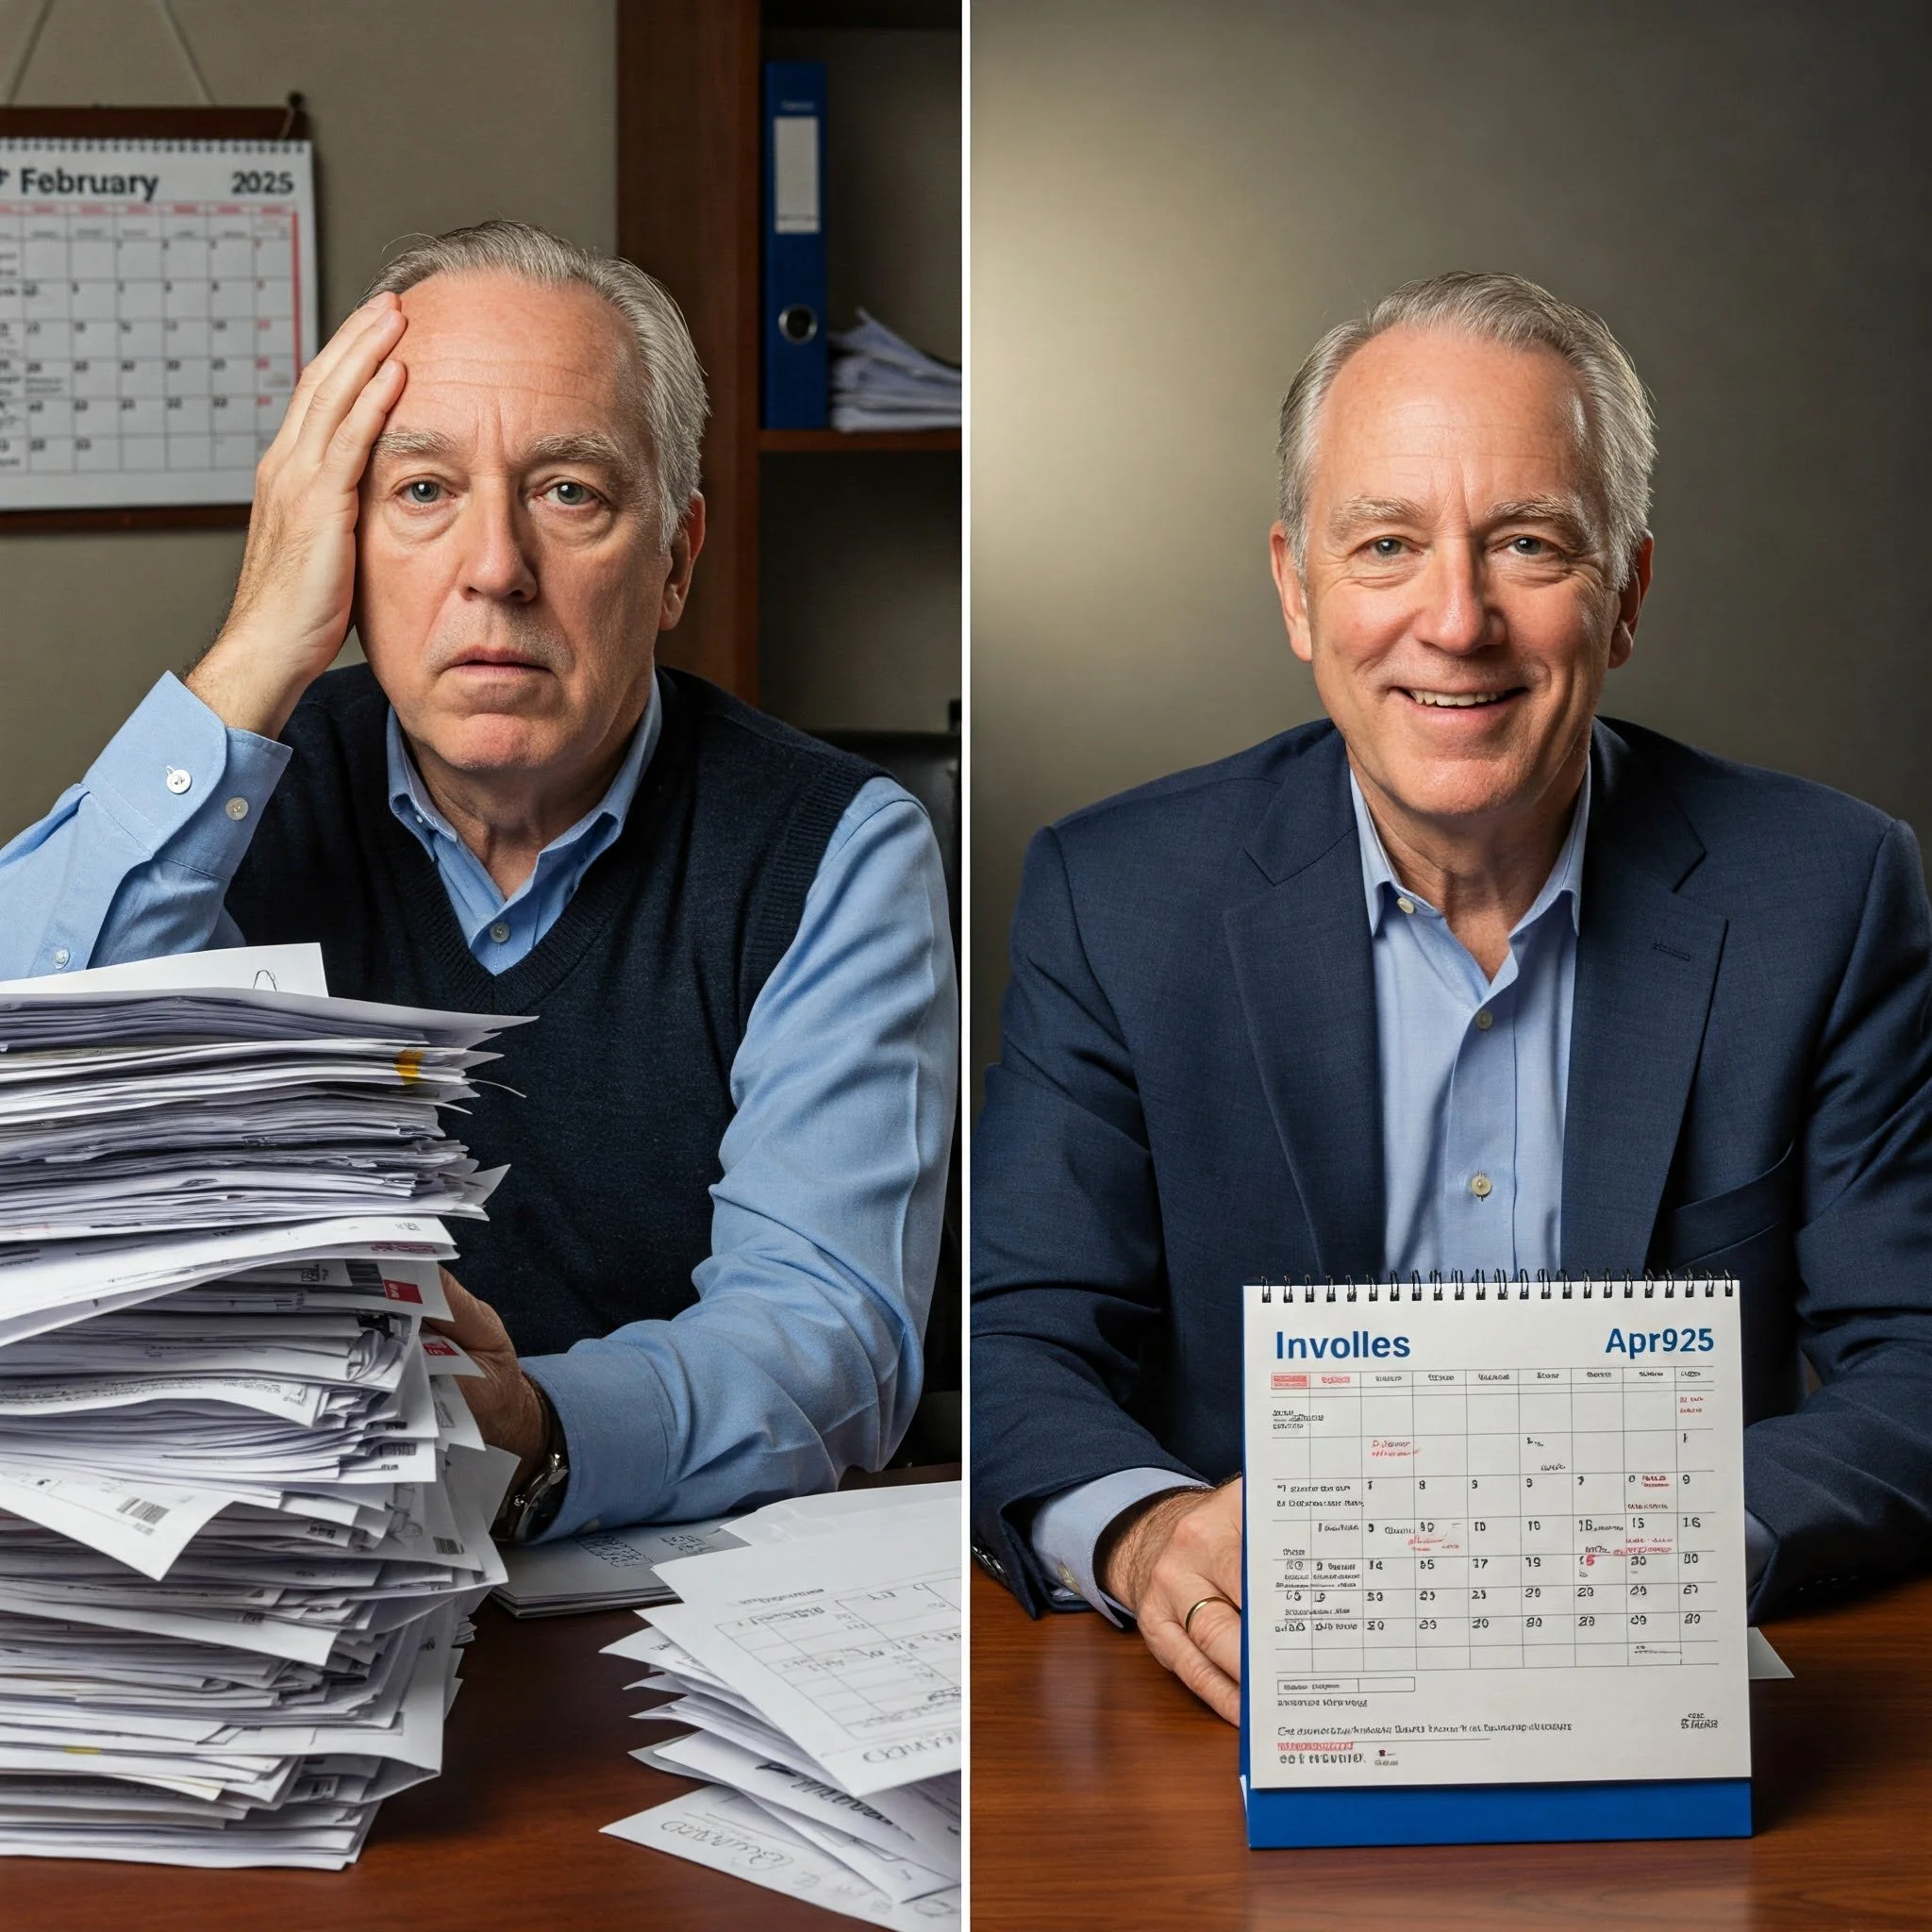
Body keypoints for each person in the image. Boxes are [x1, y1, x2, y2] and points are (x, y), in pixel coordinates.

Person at [971, 271, 1932, 1723]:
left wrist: (1671, 1554)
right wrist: (1148, 1534)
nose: (1457, 620)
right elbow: (1012, 1340)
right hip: (1241, 1702)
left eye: (1530, 545)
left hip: (1665, 1681)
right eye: (1387, 545)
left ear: (1628, 597)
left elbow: (1917, 1357)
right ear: (1298, 589)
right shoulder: (1119, 900)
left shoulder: (1829, 890)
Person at [0, 221, 958, 1543]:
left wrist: (537, 1434)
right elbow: (28, 1099)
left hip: (653, 1580)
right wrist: (251, 657)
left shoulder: (834, 846)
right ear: (336, 534)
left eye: (570, 492)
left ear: (676, 558)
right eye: (422, 491)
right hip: (267, 1573)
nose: (496, 569)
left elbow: (826, 1330)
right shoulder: (231, 803)